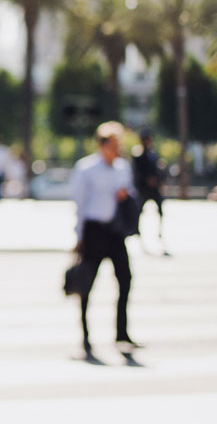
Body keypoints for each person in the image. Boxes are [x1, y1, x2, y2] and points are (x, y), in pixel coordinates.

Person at [70, 121, 140, 356]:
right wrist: (79, 235)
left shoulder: (123, 168)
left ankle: (122, 333)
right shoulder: (87, 168)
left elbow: (130, 192)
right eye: (113, 144)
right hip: (94, 230)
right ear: (102, 145)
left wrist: (125, 196)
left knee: (125, 280)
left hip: (115, 230)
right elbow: (79, 204)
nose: (117, 149)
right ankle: (85, 336)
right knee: (87, 284)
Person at [132, 129, 167, 250]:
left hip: (155, 188)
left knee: (160, 210)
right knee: (139, 211)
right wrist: (147, 179)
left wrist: (160, 181)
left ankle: (159, 232)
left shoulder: (153, 154)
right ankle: (137, 230)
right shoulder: (138, 154)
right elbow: (137, 172)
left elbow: (158, 169)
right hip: (144, 188)